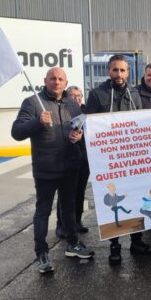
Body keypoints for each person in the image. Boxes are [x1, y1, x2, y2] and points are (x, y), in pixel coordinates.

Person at [11, 67, 94, 274]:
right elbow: (16, 132)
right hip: (46, 169)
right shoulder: (32, 103)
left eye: (60, 79)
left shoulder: (72, 104)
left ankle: (73, 244)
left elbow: (79, 128)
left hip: (70, 167)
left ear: (66, 83)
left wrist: (79, 137)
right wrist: (37, 122)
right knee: (43, 212)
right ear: (45, 81)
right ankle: (42, 253)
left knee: (69, 209)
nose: (56, 82)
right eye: (52, 78)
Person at [85, 54, 151, 265]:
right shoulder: (97, 94)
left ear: (128, 72)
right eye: (115, 70)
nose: (119, 74)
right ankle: (114, 246)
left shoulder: (134, 93)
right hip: (109, 160)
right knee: (113, 205)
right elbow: (90, 125)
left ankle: (137, 240)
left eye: (123, 70)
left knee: (135, 199)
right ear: (109, 71)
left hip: (131, 158)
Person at [55, 86, 89, 238]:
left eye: (79, 95)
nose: (76, 98)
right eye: (73, 95)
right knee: (66, 194)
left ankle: (77, 221)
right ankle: (61, 225)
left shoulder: (86, 112)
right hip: (67, 156)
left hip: (83, 157)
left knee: (80, 191)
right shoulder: (63, 111)